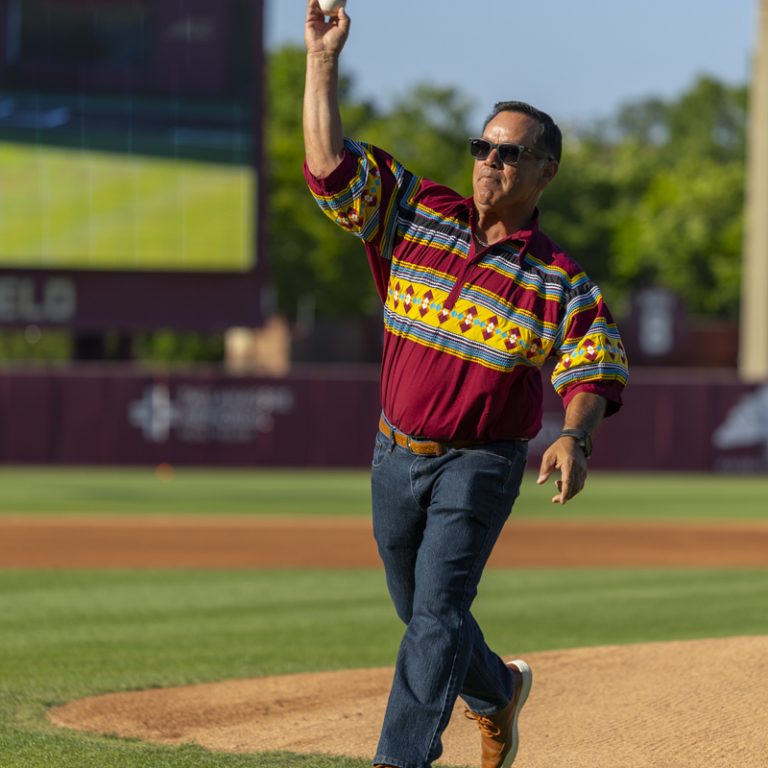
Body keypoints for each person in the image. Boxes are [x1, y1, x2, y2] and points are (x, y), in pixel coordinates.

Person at [302, 2, 628, 767]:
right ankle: (497, 693)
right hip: (393, 452)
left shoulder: (556, 278)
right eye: (483, 146)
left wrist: (575, 436)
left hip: (478, 462)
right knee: (422, 613)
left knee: (439, 608)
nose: (489, 161)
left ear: (545, 172)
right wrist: (321, 61)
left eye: (510, 154)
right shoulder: (416, 212)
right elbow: (330, 170)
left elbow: (593, 362)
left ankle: (401, 758)